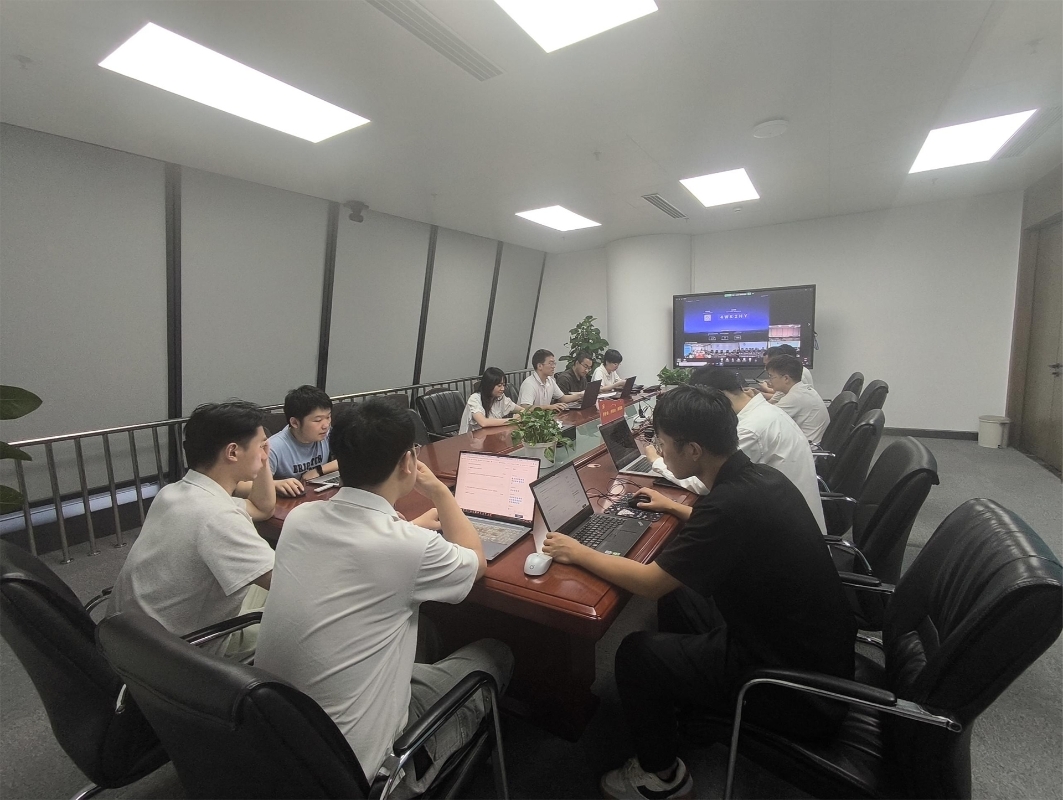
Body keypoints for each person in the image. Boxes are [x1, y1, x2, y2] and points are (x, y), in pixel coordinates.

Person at [542, 386, 855, 800]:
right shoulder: (760, 479)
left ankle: (661, 776)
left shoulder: (728, 504)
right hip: (811, 648)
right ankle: (681, 697)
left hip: (791, 688)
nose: (658, 451)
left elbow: (650, 582)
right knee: (680, 595)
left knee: (635, 653)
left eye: (662, 443)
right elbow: (727, 525)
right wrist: (674, 507)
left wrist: (578, 551)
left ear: (692, 450)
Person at [255, 400, 513, 796]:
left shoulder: (301, 518)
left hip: (278, 740)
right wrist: (440, 494)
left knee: (424, 631)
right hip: (363, 771)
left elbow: (368, 549)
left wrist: (409, 531)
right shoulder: (410, 547)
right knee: (495, 654)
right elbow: (475, 562)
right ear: (409, 462)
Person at [107, 401, 276, 652]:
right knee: (306, 613)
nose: (265, 454)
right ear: (232, 452)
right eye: (261, 446)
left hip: (132, 639)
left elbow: (262, 508)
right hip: (185, 651)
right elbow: (288, 585)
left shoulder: (174, 493)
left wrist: (261, 460)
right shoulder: (219, 517)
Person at [645, 366, 827, 534]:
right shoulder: (763, 412)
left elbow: (703, 483)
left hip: (783, 532)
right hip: (787, 523)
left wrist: (657, 461)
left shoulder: (752, 429)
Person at [248, 385, 338, 498]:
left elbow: (350, 457)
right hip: (287, 502)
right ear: (295, 423)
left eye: (328, 417)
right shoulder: (274, 447)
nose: (326, 425)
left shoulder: (327, 434)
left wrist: (318, 470)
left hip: (316, 496)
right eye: (318, 420)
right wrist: (275, 484)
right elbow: (244, 484)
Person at [767, 355, 830, 444]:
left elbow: (765, 418)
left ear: (786, 378)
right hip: (805, 443)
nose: (769, 380)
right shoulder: (801, 390)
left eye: (771, 376)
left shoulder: (796, 396)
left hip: (807, 448)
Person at [459, 367, 521, 434]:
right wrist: (513, 420)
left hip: (492, 435)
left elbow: (521, 410)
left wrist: (522, 415)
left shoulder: (500, 397)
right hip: (470, 438)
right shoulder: (474, 399)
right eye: (499, 385)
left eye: (503, 385)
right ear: (489, 385)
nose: (502, 389)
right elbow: (483, 422)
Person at [517, 349, 583, 410]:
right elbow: (525, 407)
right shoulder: (529, 384)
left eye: (554, 363)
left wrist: (581, 395)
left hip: (544, 417)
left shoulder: (550, 380)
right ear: (539, 366)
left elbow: (563, 398)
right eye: (550, 363)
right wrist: (548, 407)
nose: (553, 366)